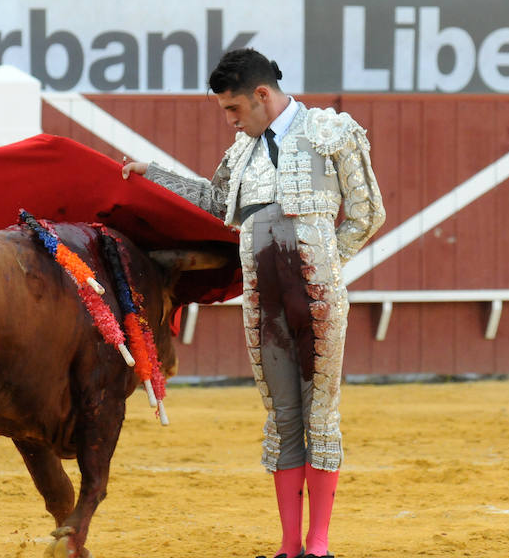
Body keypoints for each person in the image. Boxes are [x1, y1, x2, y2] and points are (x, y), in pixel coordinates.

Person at [122, 48, 385, 558]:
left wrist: (327, 263)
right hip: (262, 301)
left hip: (316, 298)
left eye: (233, 109)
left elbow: (367, 213)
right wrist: (152, 173)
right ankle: (290, 548)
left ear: (262, 95)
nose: (231, 122)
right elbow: (216, 204)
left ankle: (319, 546)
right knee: (282, 415)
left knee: (321, 414)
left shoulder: (333, 131)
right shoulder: (240, 154)